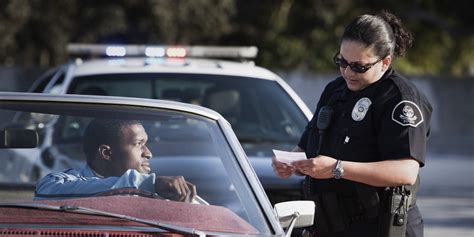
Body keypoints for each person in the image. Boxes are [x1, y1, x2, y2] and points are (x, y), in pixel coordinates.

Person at [272, 11, 432, 237]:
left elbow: (405, 171)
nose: (348, 72)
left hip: (379, 227)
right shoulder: (334, 91)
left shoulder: (400, 99)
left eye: (359, 66)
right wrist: (291, 164)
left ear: (385, 62)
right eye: (342, 62)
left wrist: (337, 168)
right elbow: (307, 148)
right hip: (331, 226)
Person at [35, 118, 196, 202]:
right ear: (106, 153)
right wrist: (146, 184)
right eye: (139, 144)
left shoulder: (164, 194)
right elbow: (45, 192)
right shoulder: (60, 182)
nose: (148, 153)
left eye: (146, 144)